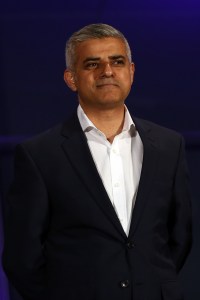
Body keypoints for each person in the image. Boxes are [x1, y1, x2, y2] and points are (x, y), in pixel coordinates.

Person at [3, 23, 192, 300]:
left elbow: (179, 237)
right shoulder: (39, 155)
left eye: (117, 61)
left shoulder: (168, 145)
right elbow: (22, 257)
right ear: (71, 79)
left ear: (131, 71)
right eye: (92, 64)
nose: (107, 71)